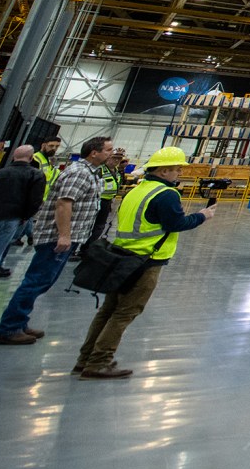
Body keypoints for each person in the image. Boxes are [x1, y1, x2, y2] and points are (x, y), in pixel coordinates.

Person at [72, 146, 215, 380]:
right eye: (176, 168)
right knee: (124, 313)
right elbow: (176, 224)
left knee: (108, 310)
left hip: (121, 256)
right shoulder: (167, 194)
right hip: (146, 260)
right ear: (163, 170)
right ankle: (98, 362)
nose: (179, 172)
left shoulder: (137, 190)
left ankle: (85, 359)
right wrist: (203, 216)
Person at [0, 135, 110, 345]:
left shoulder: (90, 173)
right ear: (94, 152)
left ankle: (19, 322)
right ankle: (9, 328)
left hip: (68, 237)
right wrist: (64, 235)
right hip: (58, 239)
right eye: (108, 150)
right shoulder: (79, 173)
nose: (112, 153)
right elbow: (64, 204)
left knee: (41, 282)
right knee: (36, 281)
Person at [0, 145, 44, 277]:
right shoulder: (36, 175)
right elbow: (35, 200)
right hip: (13, 219)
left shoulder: (0, 173)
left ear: (13, 156)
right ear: (31, 157)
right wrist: (25, 217)